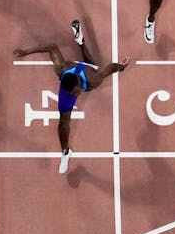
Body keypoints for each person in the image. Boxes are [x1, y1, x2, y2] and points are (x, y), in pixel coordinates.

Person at [13, 19, 130, 174]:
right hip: (75, 74)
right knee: (63, 121)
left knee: (93, 65)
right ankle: (65, 152)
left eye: (76, 92)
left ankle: (81, 42)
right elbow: (51, 47)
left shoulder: (94, 79)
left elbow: (111, 68)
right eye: (74, 93)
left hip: (88, 72)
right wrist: (25, 53)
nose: (76, 95)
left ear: (79, 85)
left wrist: (122, 66)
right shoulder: (61, 69)